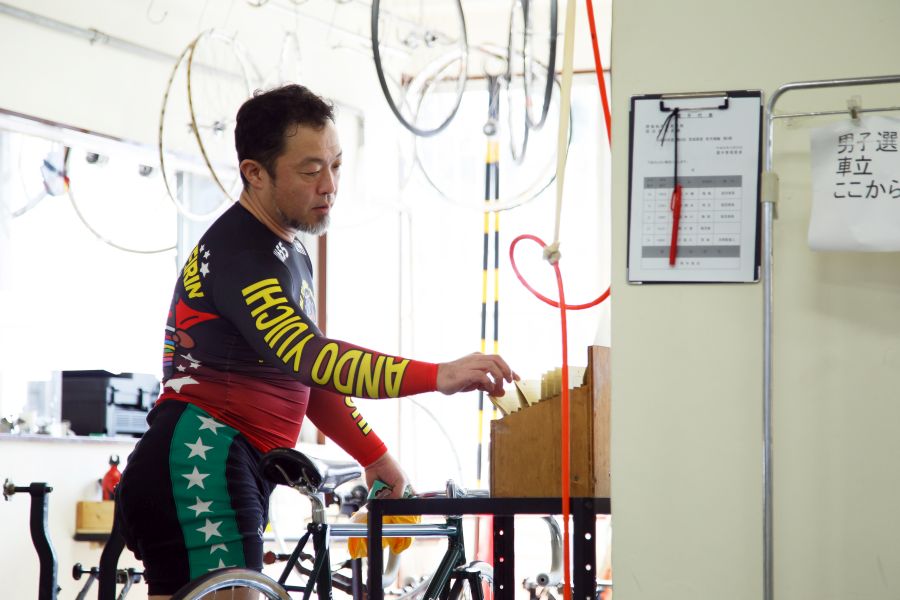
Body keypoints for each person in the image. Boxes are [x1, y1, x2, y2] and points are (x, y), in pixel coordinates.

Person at [116, 83, 516, 599]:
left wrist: (375, 457)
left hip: (217, 461)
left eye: (337, 165)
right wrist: (437, 375)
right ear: (254, 173)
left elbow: (304, 377)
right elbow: (312, 358)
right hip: (201, 460)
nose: (329, 185)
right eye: (310, 171)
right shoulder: (244, 255)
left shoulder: (285, 251)